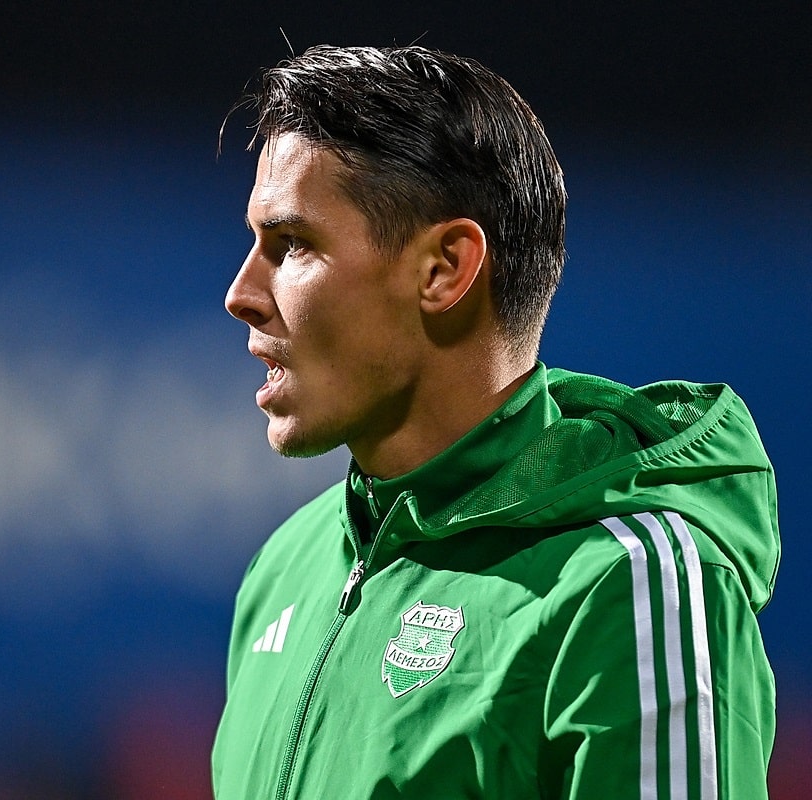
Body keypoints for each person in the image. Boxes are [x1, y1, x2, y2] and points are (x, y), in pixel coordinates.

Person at [211, 45, 779, 799]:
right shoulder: (284, 568)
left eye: (292, 245)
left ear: (445, 268)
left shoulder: (630, 590)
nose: (241, 293)